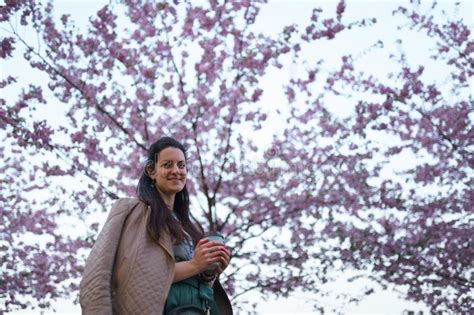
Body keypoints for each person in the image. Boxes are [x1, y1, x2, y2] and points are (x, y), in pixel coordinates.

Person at [80, 137, 232, 315]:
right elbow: (99, 273)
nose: (176, 171)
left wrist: (208, 273)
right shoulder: (129, 211)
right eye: (167, 165)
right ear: (151, 171)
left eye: (181, 165)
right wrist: (196, 265)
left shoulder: (187, 227)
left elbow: (196, 284)